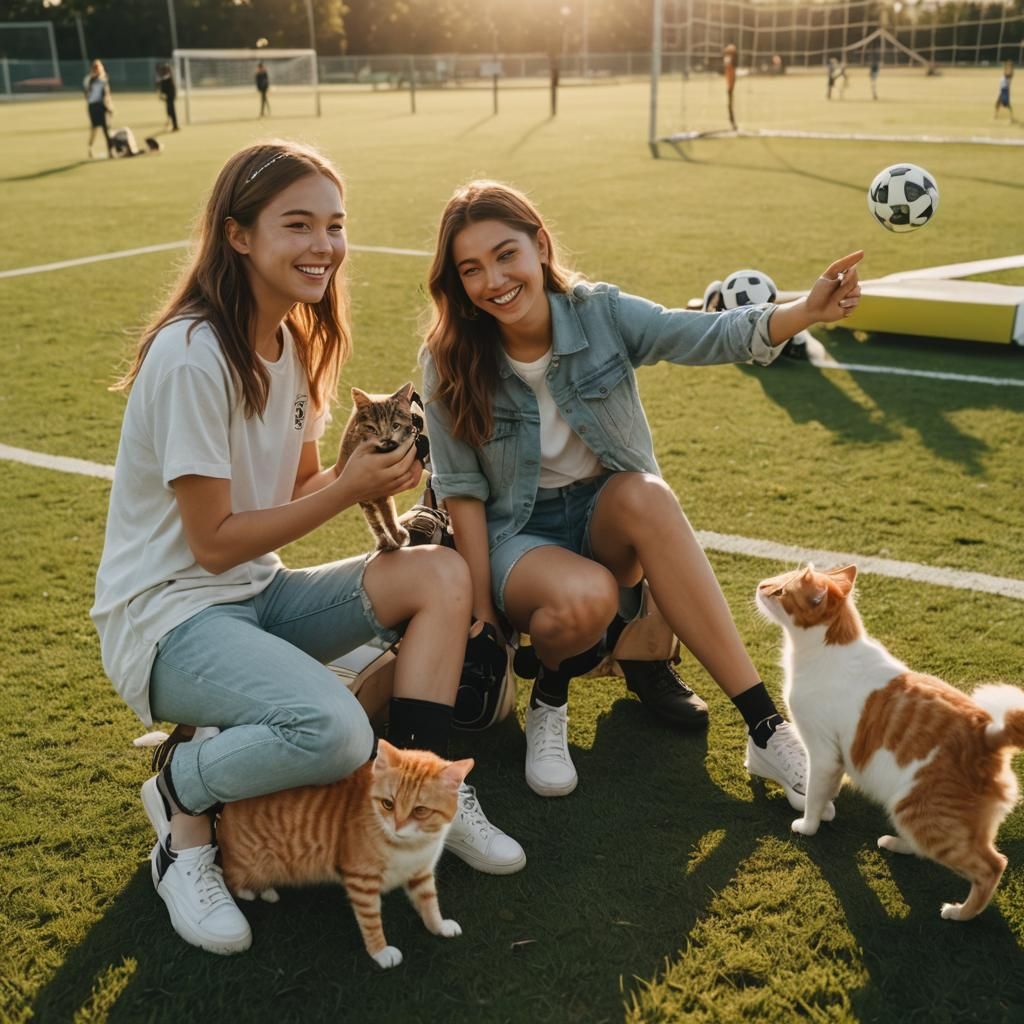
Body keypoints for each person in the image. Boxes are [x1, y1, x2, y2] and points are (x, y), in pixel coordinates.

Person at [91, 143, 524, 957]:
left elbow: (291, 496)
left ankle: (432, 785)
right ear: (238, 236)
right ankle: (183, 806)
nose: (324, 245)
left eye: (334, 224)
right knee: (334, 732)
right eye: (298, 224)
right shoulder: (192, 356)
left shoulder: (293, 343)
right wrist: (346, 488)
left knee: (440, 572)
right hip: (169, 624)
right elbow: (212, 545)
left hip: (257, 597)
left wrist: (374, 477)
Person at [420, 180, 862, 808]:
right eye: (471, 269)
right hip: (517, 534)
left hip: (606, 514)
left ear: (539, 245)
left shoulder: (599, 313)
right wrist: (485, 625)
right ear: (457, 282)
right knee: (586, 596)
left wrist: (804, 313)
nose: (494, 280)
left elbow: (702, 333)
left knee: (648, 496)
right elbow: (461, 492)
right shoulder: (447, 358)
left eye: (505, 254)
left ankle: (765, 726)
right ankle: (551, 698)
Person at [83, 59, 113, 159]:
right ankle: (90, 148)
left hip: (102, 106)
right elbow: (87, 94)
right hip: (93, 106)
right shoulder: (90, 80)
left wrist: (110, 107)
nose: (97, 70)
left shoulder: (104, 80)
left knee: (106, 129)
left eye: (98, 68)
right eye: (95, 68)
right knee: (94, 129)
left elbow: (107, 95)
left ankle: (111, 151)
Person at [156, 63, 179, 131]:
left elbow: (169, 88)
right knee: (169, 111)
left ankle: (175, 125)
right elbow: (162, 90)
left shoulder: (168, 78)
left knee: (171, 111)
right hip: (168, 98)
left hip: (170, 98)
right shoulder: (164, 79)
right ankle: (172, 123)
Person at [723, 43, 738, 130]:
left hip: (731, 86)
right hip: (730, 87)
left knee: (731, 104)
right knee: (730, 104)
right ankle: (732, 122)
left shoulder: (731, 63)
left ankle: (732, 122)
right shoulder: (728, 61)